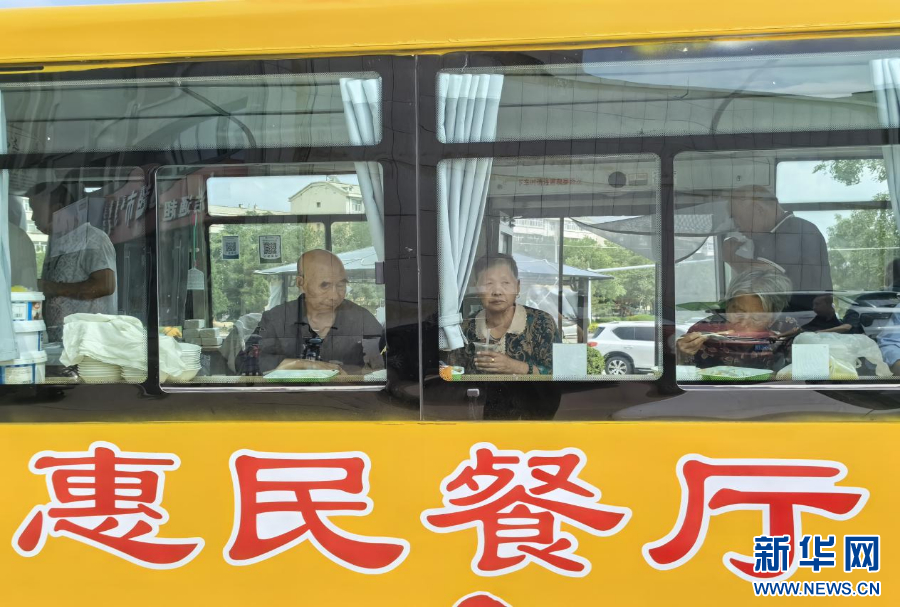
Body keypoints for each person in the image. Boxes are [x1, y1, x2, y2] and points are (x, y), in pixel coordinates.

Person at [254, 249, 384, 375]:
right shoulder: (276, 320)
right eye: (324, 285)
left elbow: (385, 367)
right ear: (301, 283)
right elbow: (249, 365)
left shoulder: (362, 320)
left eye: (341, 285)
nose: (334, 296)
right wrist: (301, 365)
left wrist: (350, 372)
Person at [28, 181, 117, 342]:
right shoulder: (55, 244)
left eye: (35, 210)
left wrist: (51, 288)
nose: (33, 217)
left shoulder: (92, 239)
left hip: (89, 344)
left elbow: (105, 285)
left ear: (56, 210)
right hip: (61, 343)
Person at [723, 185, 831, 312]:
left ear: (758, 209)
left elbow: (764, 278)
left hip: (803, 318)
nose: (736, 226)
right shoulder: (771, 235)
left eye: (736, 218)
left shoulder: (795, 230)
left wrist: (732, 257)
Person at [450, 254, 560, 376]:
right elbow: (453, 374)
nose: (497, 292)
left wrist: (513, 367)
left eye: (505, 283)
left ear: (517, 287)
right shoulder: (464, 328)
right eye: (488, 283)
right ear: (477, 288)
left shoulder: (542, 322)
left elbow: (560, 372)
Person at [677, 269, 798, 372]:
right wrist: (681, 355)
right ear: (728, 306)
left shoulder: (785, 328)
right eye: (738, 313)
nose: (744, 323)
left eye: (756, 318)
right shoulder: (703, 329)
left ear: (772, 319)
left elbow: (800, 369)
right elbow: (684, 376)